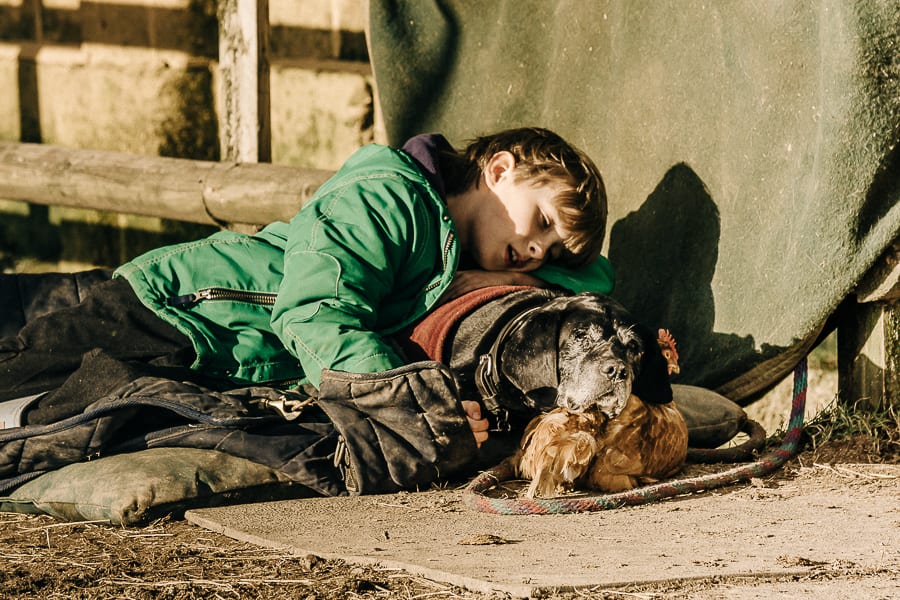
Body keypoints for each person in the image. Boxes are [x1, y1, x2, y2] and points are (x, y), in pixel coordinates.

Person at [0, 127, 614, 453]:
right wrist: (403, 397)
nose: (538, 255)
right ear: (498, 170)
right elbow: (316, 313)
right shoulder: (389, 197)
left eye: (550, 253)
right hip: (171, 311)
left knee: (54, 424)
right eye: (540, 224)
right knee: (14, 382)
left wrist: (502, 273)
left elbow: (596, 277)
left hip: (220, 356)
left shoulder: (455, 247)